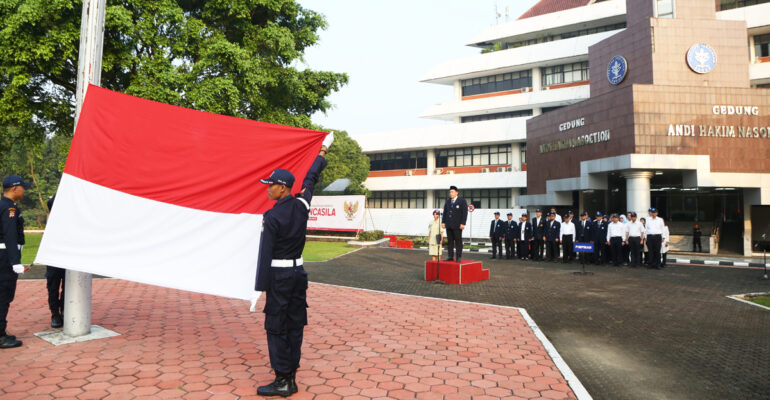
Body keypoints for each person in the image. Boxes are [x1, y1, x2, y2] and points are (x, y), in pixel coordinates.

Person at [254, 142, 329, 397]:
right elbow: (311, 179)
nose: (268, 189)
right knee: (295, 324)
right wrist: (321, 154)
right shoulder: (302, 205)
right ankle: (291, 377)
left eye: (271, 184)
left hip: (280, 277)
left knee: (276, 326)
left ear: (282, 187)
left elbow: (265, 254)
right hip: (299, 275)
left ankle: (282, 379)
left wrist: (261, 286)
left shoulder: (272, 217)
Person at [0, 175, 30, 349]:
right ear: (14, 189)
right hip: (5, 257)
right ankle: (1, 335)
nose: (24, 190)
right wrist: (15, 261)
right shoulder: (9, 208)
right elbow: (10, 236)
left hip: (3, 256)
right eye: (22, 187)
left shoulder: (3, 205)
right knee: (4, 295)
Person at [45, 195, 65, 328]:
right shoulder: (56, 199)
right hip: (53, 254)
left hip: (68, 253)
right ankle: (55, 313)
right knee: (53, 285)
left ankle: (64, 311)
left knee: (68, 285)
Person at [442, 186, 468, 263]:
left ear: (457, 192)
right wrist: (443, 222)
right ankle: (450, 256)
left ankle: (458, 256)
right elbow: (445, 213)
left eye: (452, 192)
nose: (451, 193)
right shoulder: (448, 201)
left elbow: (464, 213)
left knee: (458, 241)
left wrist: (463, 223)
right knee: (450, 241)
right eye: (450, 192)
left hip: (457, 225)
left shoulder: (462, 201)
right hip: (449, 225)